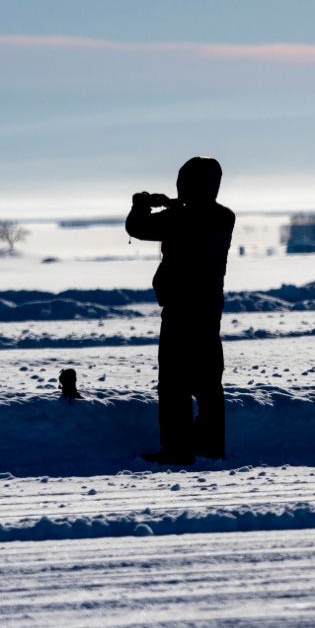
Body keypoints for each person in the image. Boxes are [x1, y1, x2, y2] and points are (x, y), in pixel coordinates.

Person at [126, 157, 235, 465]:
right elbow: (195, 213)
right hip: (210, 308)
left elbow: (137, 227)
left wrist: (142, 204)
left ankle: (177, 448)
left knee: (174, 382)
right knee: (208, 380)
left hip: (181, 309)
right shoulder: (224, 216)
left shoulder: (180, 220)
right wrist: (172, 204)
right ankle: (211, 445)